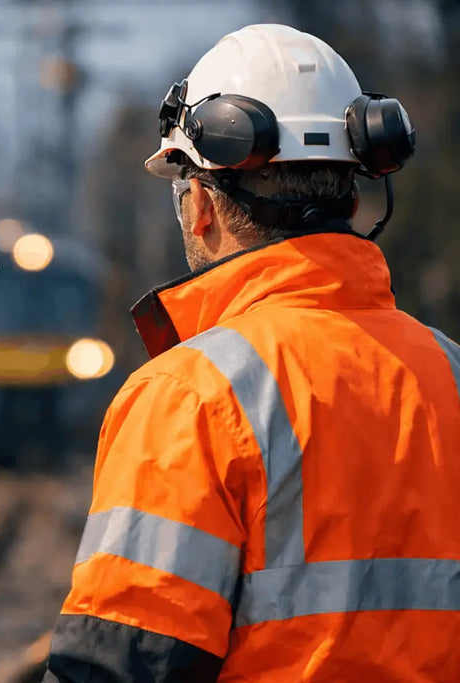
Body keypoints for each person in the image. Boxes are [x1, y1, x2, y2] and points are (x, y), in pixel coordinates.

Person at [44, 23, 460, 682]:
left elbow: (120, 665)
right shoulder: (450, 373)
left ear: (201, 205)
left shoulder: (190, 397)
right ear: (354, 196)